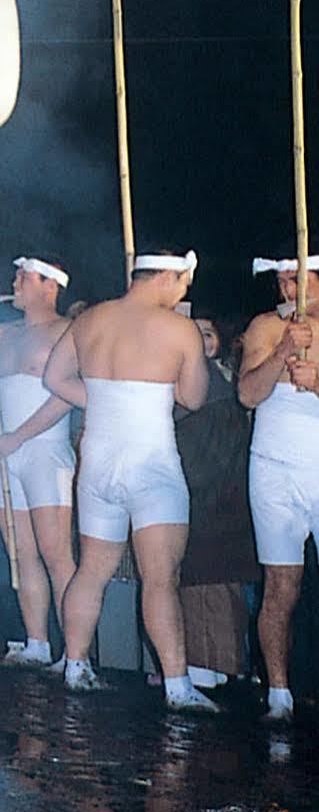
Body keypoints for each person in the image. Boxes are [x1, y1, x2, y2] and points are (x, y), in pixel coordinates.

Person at [49, 248, 214, 710]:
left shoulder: (90, 320)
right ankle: (178, 687)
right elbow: (195, 398)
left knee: (92, 569)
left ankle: (76, 666)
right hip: (151, 466)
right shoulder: (179, 329)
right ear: (166, 277)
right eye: (183, 282)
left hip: (98, 462)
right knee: (160, 578)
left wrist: (103, 400)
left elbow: (53, 377)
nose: (185, 292)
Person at [0, 255, 77, 666]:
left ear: (50, 286)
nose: (15, 282)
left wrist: (20, 436)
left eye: (25, 276)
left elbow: (67, 394)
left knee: (56, 554)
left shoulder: (67, 332)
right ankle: (36, 643)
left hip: (44, 451)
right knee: (22, 554)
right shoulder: (5, 333)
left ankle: (76, 654)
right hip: (8, 454)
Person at [238, 256, 319, 721]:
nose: (289, 288)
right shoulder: (266, 326)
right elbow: (247, 394)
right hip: (273, 470)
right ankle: (279, 694)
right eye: (283, 279)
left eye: (298, 278)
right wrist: (282, 351)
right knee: (280, 585)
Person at [174, 310, 254, 693]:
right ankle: (211, 668)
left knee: (210, 586)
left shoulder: (213, 387)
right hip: (210, 502)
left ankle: (210, 668)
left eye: (208, 334)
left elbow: (205, 454)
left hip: (214, 504)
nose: (202, 342)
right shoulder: (194, 379)